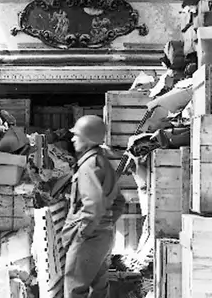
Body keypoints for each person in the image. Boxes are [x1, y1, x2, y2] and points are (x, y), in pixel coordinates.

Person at [61, 115, 125, 298]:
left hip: (89, 238)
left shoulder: (89, 166)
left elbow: (94, 203)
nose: (73, 139)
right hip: (103, 237)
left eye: (77, 135)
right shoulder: (103, 163)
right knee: (99, 288)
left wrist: (84, 232)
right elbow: (119, 201)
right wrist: (107, 223)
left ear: (88, 139)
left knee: (74, 288)